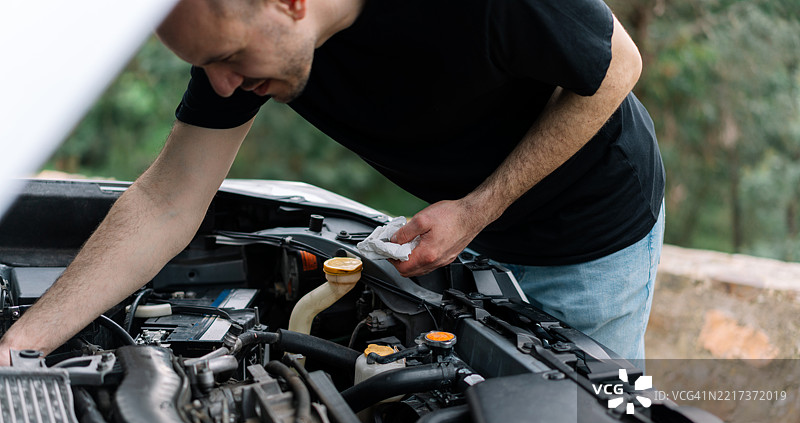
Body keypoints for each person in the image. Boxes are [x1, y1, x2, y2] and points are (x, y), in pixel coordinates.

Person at [0, 0, 664, 367]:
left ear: (288, 2)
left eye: (228, 59)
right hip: (463, 222)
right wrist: (20, 347)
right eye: (207, 66)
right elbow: (166, 199)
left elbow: (617, 66)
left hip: (588, 232)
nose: (222, 85)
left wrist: (475, 210)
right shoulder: (243, 45)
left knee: (595, 413)